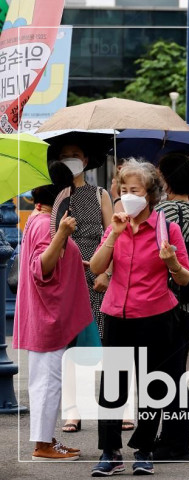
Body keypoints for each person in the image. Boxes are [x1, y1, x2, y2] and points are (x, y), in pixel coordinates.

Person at [90, 160, 189, 476]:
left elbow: (185, 278)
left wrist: (172, 261)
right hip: (117, 314)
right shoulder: (115, 226)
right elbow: (95, 267)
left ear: (150, 195)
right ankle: (110, 451)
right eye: (123, 190)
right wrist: (113, 236)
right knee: (112, 389)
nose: (127, 195)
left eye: (134, 190)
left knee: (152, 387)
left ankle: (144, 449)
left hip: (156, 316)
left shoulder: (167, 228)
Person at [14, 163, 87, 461]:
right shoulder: (48, 224)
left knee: (47, 381)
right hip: (49, 317)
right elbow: (40, 267)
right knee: (48, 383)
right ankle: (42, 445)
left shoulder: (37, 219)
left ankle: (47, 439)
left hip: (44, 316)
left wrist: (71, 259)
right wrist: (63, 234)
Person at [153, 153, 189, 460]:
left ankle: (175, 443)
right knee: (175, 372)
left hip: (166, 301)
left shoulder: (166, 210)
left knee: (164, 376)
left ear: (166, 178)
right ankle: (173, 438)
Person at [57, 144, 113, 434]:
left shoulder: (100, 194)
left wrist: (107, 272)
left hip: (98, 276)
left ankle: (119, 408)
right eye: (65, 155)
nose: (71, 160)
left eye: (75, 155)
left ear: (86, 160)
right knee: (71, 345)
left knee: (109, 342)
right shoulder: (57, 196)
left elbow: (114, 234)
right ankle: (73, 410)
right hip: (67, 278)